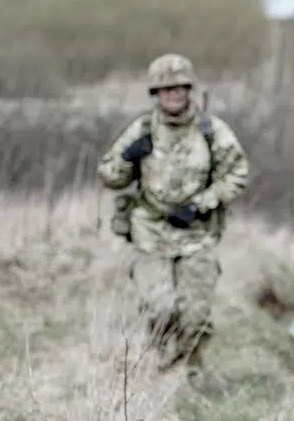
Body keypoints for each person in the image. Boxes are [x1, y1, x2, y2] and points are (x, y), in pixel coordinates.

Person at [97, 54, 249, 376]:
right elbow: (109, 176)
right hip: (150, 232)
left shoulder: (211, 130)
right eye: (165, 89)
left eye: (179, 88)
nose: (173, 95)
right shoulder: (142, 129)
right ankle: (158, 361)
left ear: (190, 89)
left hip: (197, 234)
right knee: (161, 308)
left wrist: (202, 203)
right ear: (155, 93)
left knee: (197, 318)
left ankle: (186, 373)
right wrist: (127, 157)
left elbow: (237, 173)